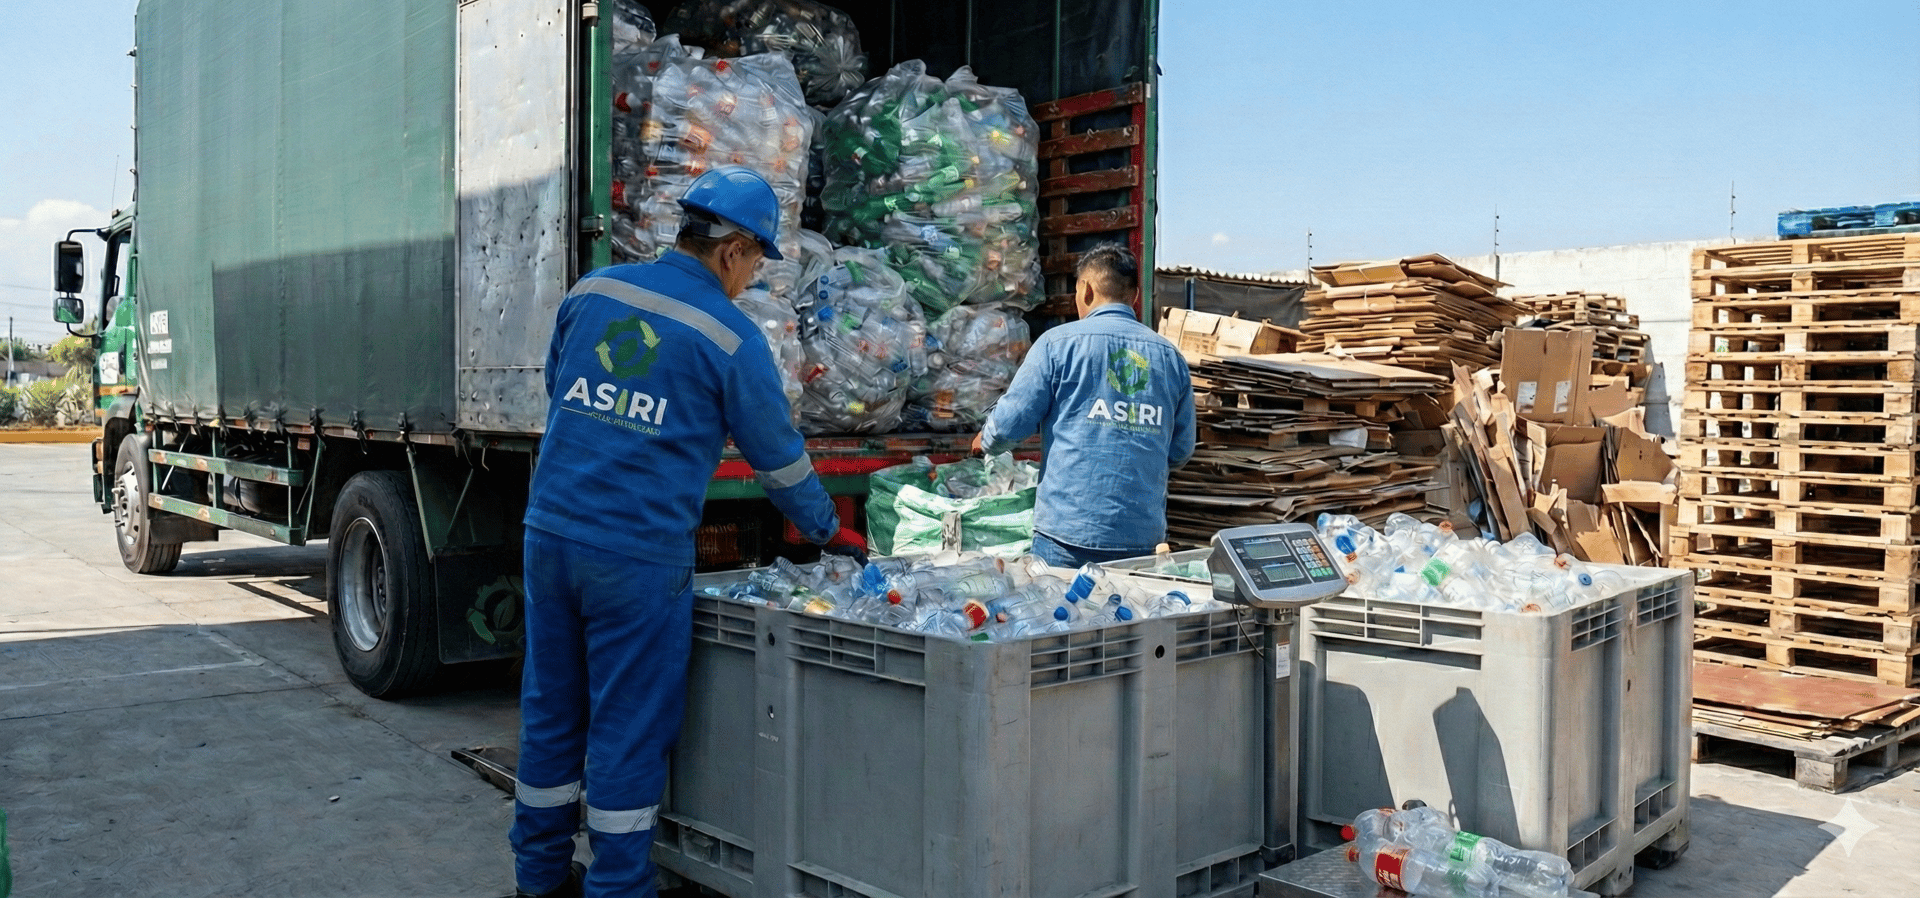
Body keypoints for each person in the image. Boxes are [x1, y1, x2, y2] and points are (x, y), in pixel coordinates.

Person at [510, 167, 866, 898]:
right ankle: (618, 888)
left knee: (550, 706)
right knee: (627, 726)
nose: (754, 275)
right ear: (733, 250)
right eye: (757, 259)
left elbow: (558, 388)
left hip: (549, 533)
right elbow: (780, 460)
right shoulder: (728, 338)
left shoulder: (592, 291)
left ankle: (538, 879)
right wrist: (829, 531)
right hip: (634, 555)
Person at [971, 242, 1195, 569]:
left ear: (1086, 290)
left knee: (1062, 615)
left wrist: (986, 441)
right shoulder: (1170, 358)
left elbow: (1009, 426)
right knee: (1124, 617)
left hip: (1066, 538)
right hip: (1140, 538)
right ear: (1134, 296)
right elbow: (1180, 451)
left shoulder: (1057, 345)